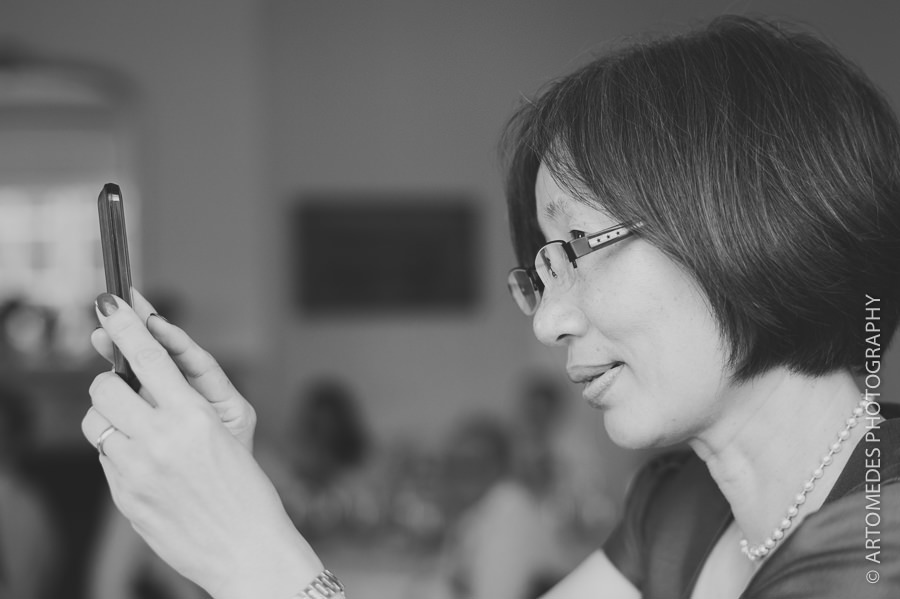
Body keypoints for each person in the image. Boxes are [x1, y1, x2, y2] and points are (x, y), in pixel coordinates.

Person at [81, 15, 900, 599]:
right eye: (543, 272)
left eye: (580, 246)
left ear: (751, 220)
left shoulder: (880, 544)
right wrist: (243, 502)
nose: (546, 321)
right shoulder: (681, 501)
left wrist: (257, 560)